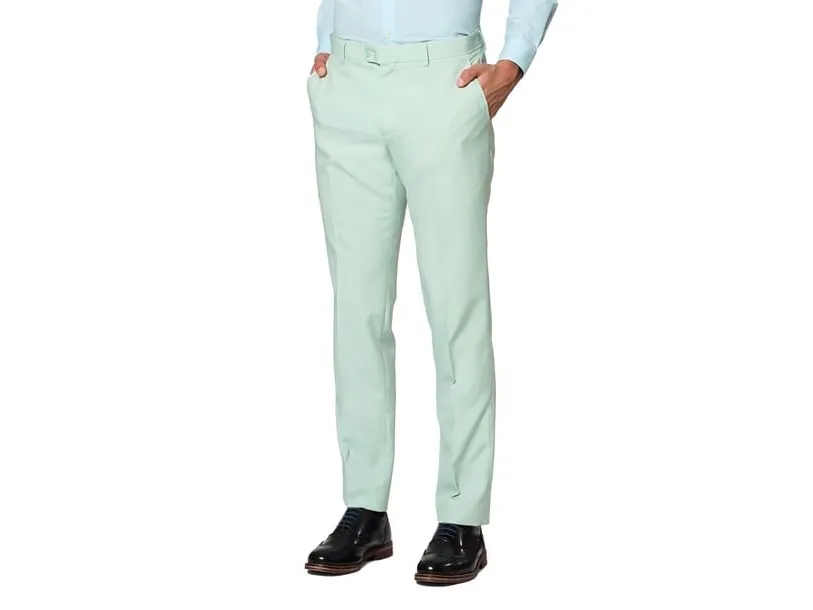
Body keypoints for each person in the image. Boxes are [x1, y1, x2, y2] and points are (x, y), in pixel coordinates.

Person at [303, 0, 557, 586]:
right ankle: (365, 508)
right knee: (356, 310)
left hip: (446, 81)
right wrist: (326, 42)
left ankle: (462, 516)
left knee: (455, 305)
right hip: (347, 83)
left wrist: (514, 62)